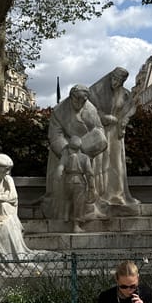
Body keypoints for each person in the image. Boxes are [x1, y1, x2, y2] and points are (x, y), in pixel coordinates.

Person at [43, 84, 107, 220]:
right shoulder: (59, 110)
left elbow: (99, 128)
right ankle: (63, 213)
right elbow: (55, 135)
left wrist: (96, 141)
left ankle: (91, 209)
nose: (81, 102)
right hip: (65, 149)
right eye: (78, 99)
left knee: (89, 177)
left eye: (84, 100)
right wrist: (69, 152)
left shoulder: (90, 108)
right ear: (72, 96)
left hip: (87, 150)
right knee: (64, 182)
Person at [88, 67, 139, 210]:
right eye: (115, 79)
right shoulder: (97, 90)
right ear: (111, 76)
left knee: (116, 163)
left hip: (116, 133)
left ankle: (117, 193)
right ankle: (99, 194)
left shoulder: (125, 94)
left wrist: (124, 120)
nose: (116, 82)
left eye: (120, 81)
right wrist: (103, 117)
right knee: (101, 163)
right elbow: (89, 109)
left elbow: (131, 108)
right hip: (100, 131)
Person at [56, 135, 95, 232]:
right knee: (78, 203)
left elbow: (60, 168)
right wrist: (91, 187)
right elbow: (89, 173)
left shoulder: (66, 157)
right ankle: (76, 225)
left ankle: (65, 216)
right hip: (79, 181)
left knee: (68, 198)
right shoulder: (84, 158)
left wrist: (58, 177)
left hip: (68, 180)